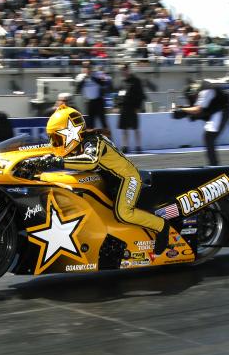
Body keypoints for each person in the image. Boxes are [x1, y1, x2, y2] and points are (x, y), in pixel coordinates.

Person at [30, 104, 170, 255]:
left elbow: (90, 161)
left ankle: (161, 226)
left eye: (57, 139)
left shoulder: (94, 141)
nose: (54, 144)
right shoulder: (78, 144)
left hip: (128, 178)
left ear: (71, 133)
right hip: (111, 181)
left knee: (123, 213)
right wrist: (34, 161)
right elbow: (49, 152)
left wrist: (56, 161)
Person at [173, 80, 229, 166]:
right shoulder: (201, 89)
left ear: (194, 93)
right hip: (217, 111)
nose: (191, 101)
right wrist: (184, 110)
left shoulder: (205, 92)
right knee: (208, 138)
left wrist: (182, 110)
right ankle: (214, 165)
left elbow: (197, 110)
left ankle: (214, 166)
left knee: (209, 137)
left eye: (191, 98)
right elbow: (198, 110)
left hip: (221, 110)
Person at [117, 63, 146, 154]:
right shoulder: (122, 82)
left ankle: (138, 147)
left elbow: (141, 95)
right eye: (122, 70)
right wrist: (117, 105)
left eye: (124, 70)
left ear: (128, 70)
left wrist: (137, 107)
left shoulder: (136, 81)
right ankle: (125, 147)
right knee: (124, 129)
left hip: (133, 108)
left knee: (135, 128)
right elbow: (119, 95)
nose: (123, 72)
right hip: (123, 108)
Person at [75, 61, 110, 132]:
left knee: (103, 122)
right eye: (85, 67)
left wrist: (91, 77)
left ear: (91, 68)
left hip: (99, 101)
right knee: (90, 124)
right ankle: (92, 138)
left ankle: (108, 137)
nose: (87, 69)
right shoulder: (80, 77)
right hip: (89, 102)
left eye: (88, 67)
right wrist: (84, 79)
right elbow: (77, 90)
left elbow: (103, 84)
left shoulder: (97, 74)